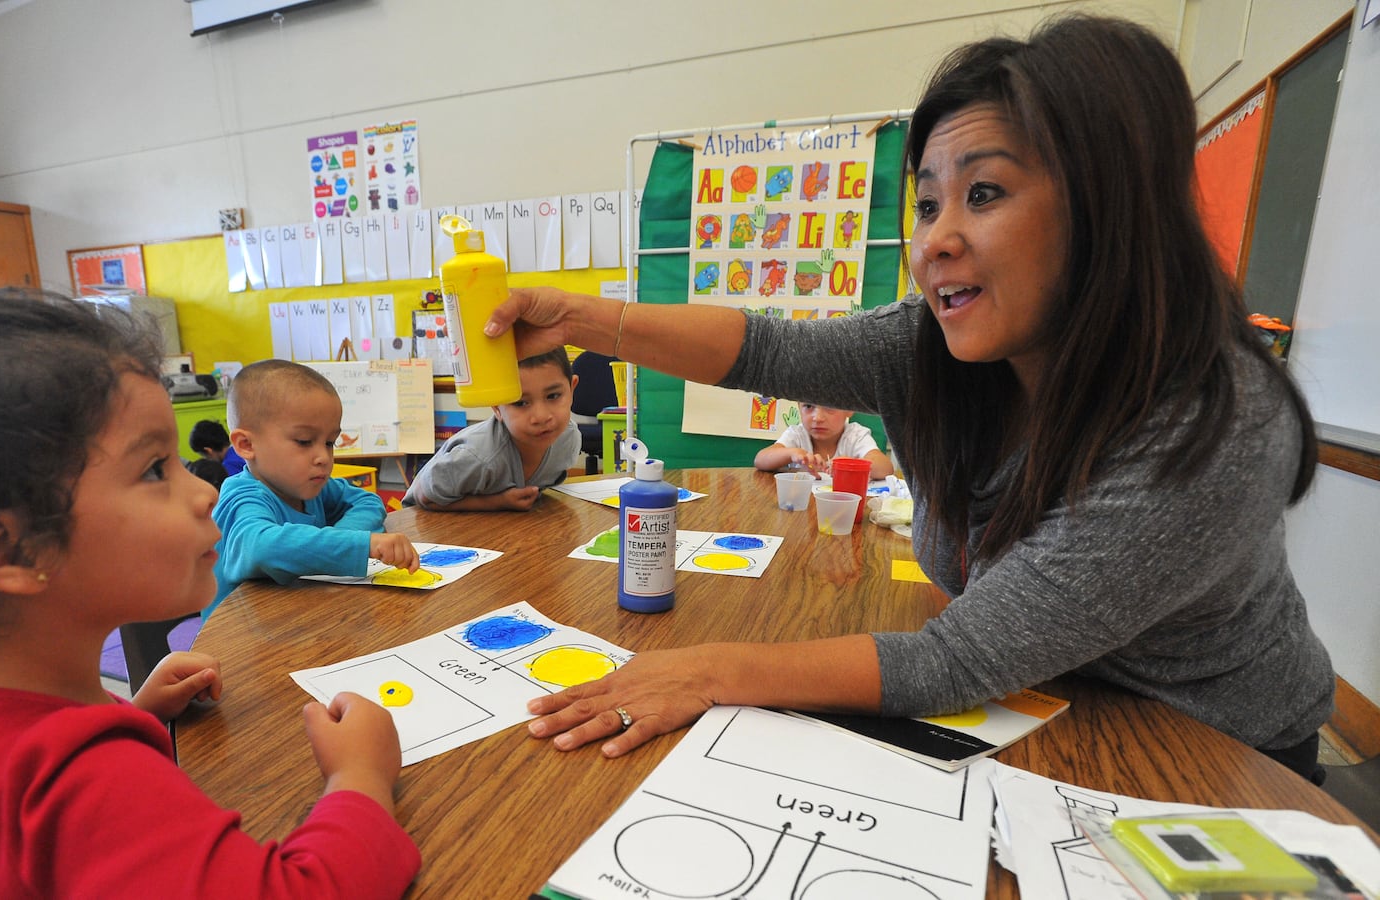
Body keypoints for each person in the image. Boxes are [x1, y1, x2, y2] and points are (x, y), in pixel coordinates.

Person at [490, 15, 1334, 781]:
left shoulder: (1207, 422)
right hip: (1035, 712)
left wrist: (708, 671)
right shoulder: (939, 348)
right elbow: (774, 347)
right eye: (928, 202)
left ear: (1106, 207)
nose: (935, 241)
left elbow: (953, 662)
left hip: (1215, 763)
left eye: (985, 193)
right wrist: (570, 315)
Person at [0, 292, 419, 896]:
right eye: (152, 470)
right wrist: (358, 776)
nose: (203, 493)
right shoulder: (83, 781)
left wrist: (141, 715)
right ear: (3, 549)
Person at [206, 359, 418, 621]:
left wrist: (339, 536)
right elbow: (261, 546)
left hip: (296, 618)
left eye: (329, 442)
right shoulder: (242, 496)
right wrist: (362, 543)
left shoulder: (311, 486)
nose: (323, 457)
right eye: (304, 441)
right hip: (237, 640)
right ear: (246, 444)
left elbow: (366, 501)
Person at [403, 348, 582, 512]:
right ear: (496, 408)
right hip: (428, 523)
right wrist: (498, 501)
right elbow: (423, 497)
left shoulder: (568, 438)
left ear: (572, 389)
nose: (541, 416)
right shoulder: (477, 457)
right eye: (521, 403)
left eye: (553, 396)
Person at [754, 402, 894, 479]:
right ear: (798, 407)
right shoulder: (797, 434)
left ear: (850, 409)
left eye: (830, 406)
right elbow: (760, 459)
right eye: (808, 406)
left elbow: (886, 468)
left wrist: (851, 464)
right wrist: (791, 453)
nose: (818, 417)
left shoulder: (855, 435)